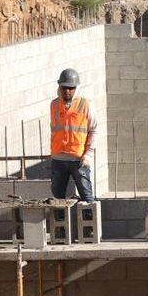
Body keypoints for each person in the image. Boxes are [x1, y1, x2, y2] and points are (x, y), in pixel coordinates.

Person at [49, 68, 97, 201]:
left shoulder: (85, 105)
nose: (67, 91)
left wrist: (88, 154)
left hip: (78, 159)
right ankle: (59, 221)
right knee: (57, 200)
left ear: (76, 88)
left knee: (87, 198)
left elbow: (93, 130)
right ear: (60, 87)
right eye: (64, 88)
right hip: (58, 158)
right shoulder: (54, 105)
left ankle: (89, 220)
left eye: (71, 88)